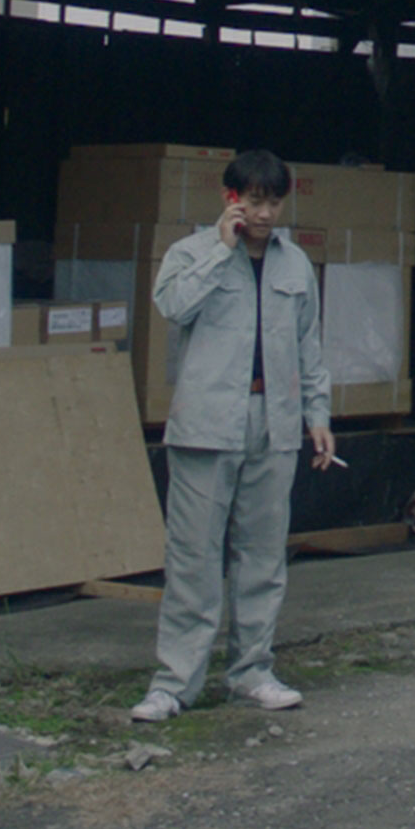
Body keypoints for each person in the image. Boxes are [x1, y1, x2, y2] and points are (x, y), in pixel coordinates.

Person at [132, 148, 340, 718]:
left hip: (273, 424)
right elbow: (171, 307)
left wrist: (318, 418)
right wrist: (221, 251)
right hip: (205, 425)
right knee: (193, 558)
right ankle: (174, 684)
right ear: (231, 198)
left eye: (274, 201)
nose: (266, 212)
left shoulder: (295, 265)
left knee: (262, 556)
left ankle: (252, 671)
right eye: (254, 200)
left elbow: (310, 348)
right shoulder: (191, 253)